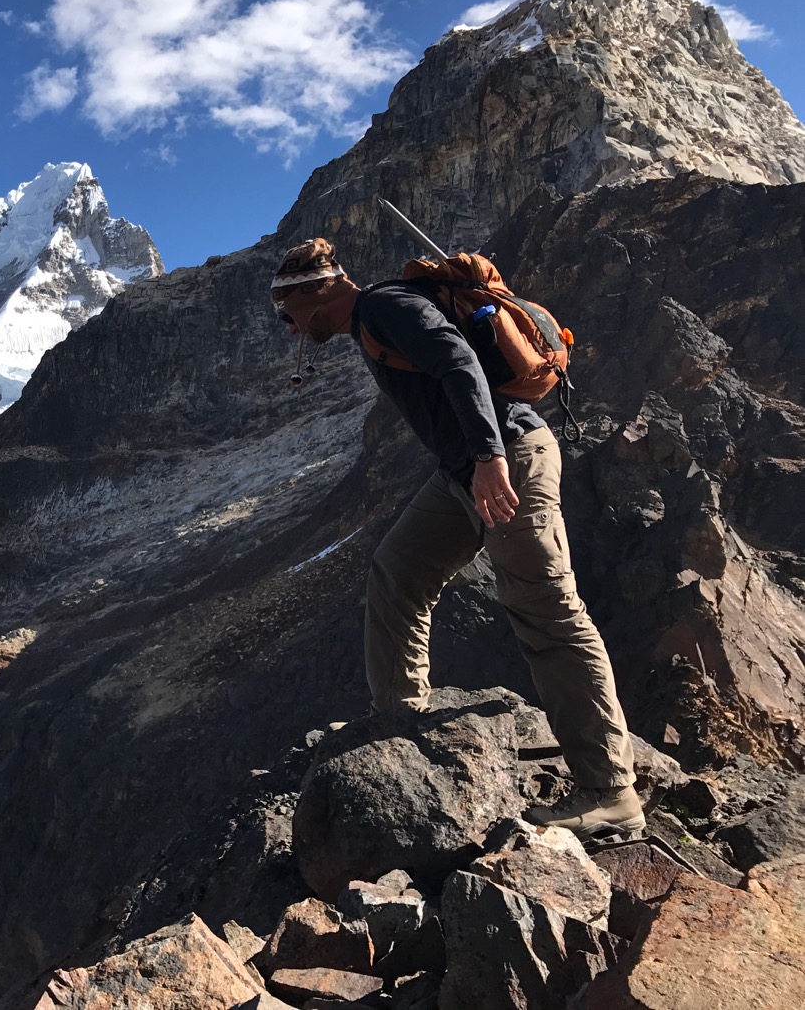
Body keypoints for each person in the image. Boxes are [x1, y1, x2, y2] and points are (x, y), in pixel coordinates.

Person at [269, 237, 643, 838]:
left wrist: (489, 455)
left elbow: (458, 362)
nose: (286, 325)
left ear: (316, 291)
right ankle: (399, 719)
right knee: (398, 570)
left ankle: (610, 790)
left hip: (508, 457)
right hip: (464, 472)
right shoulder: (371, 322)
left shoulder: (384, 306)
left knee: (545, 609)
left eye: (284, 309)